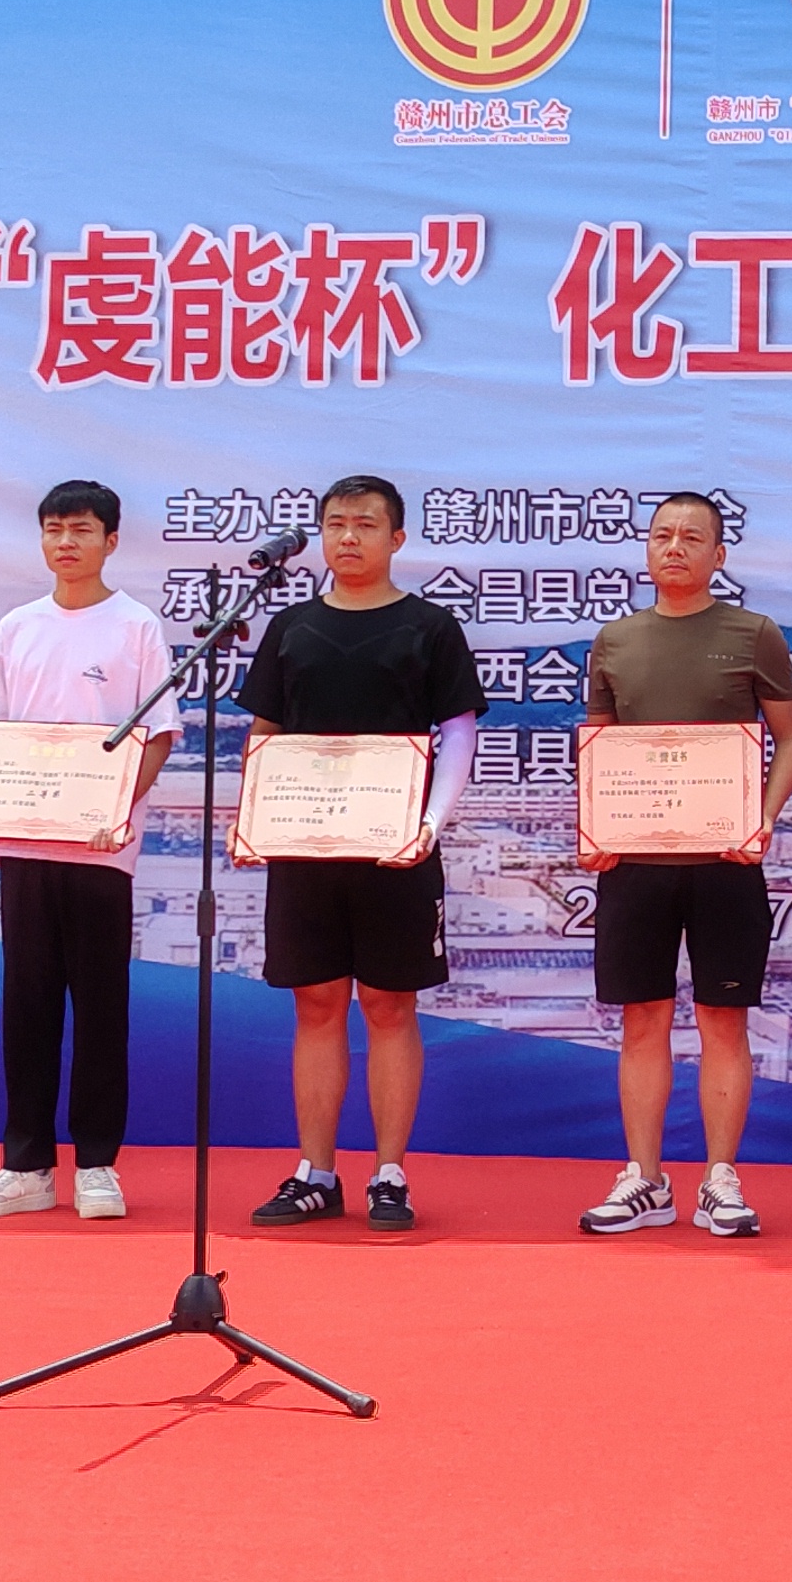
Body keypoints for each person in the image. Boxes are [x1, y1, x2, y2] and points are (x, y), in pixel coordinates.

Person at [233, 474, 483, 1232]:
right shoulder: (291, 627)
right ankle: (315, 1172)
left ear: (396, 538)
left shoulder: (430, 627)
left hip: (396, 850)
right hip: (305, 849)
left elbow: (459, 734)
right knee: (315, 1004)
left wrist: (431, 823)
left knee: (388, 1004)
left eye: (366, 524)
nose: (348, 536)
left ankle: (389, 1173)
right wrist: (255, 820)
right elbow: (266, 735)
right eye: (336, 523)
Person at [0, 479, 176, 1222]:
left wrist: (119, 810)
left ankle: (98, 1165)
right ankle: (27, 1167)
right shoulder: (18, 627)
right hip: (23, 843)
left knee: (101, 1006)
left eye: (81, 529)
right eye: (53, 529)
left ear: (112, 540)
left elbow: (159, 734)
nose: (66, 543)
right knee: (28, 1004)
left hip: (101, 848)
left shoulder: (135, 626)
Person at [575, 491, 792, 1238]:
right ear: (647, 548)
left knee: (722, 1019)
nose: (674, 547)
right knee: (641, 1018)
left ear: (718, 555)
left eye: (691, 537)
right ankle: (645, 1178)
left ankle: (720, 1179)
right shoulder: (615, 640)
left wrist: (761, 818)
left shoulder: (754, 634)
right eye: (662, 535)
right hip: (634, 861)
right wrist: (595, 827)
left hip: (725, 860)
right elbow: (600, 747)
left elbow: (791, 741)